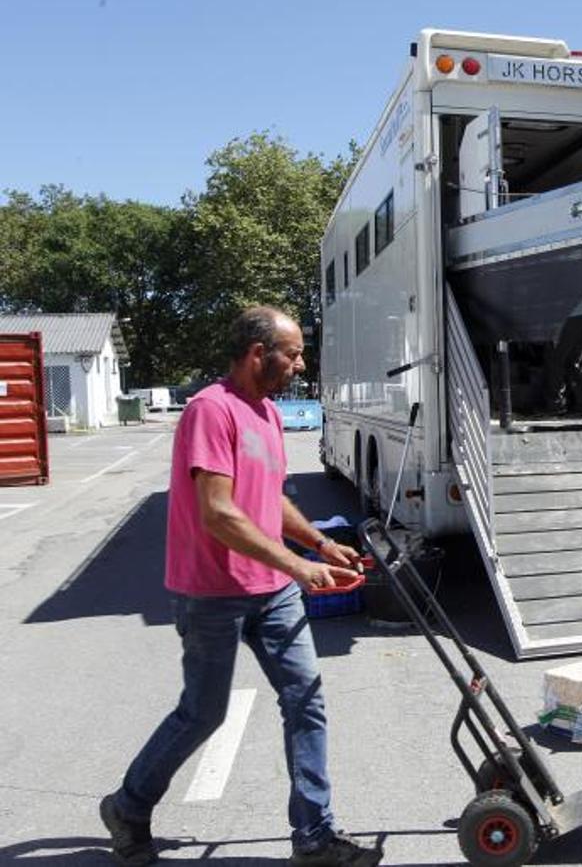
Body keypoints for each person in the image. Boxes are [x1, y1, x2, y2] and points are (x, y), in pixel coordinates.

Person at [101, 306, 382, 867]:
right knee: (202, 713)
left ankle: (314, 836)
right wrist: (300, 567)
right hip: (211, 592)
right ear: (259, 353)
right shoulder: (212, 410)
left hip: (272, 589)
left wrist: (320, 546)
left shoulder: (268, 415)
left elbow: (268, 498)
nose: (301, 364)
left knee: (306, 701)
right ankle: (128, 807)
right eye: (294, 352)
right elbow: (219, 513)